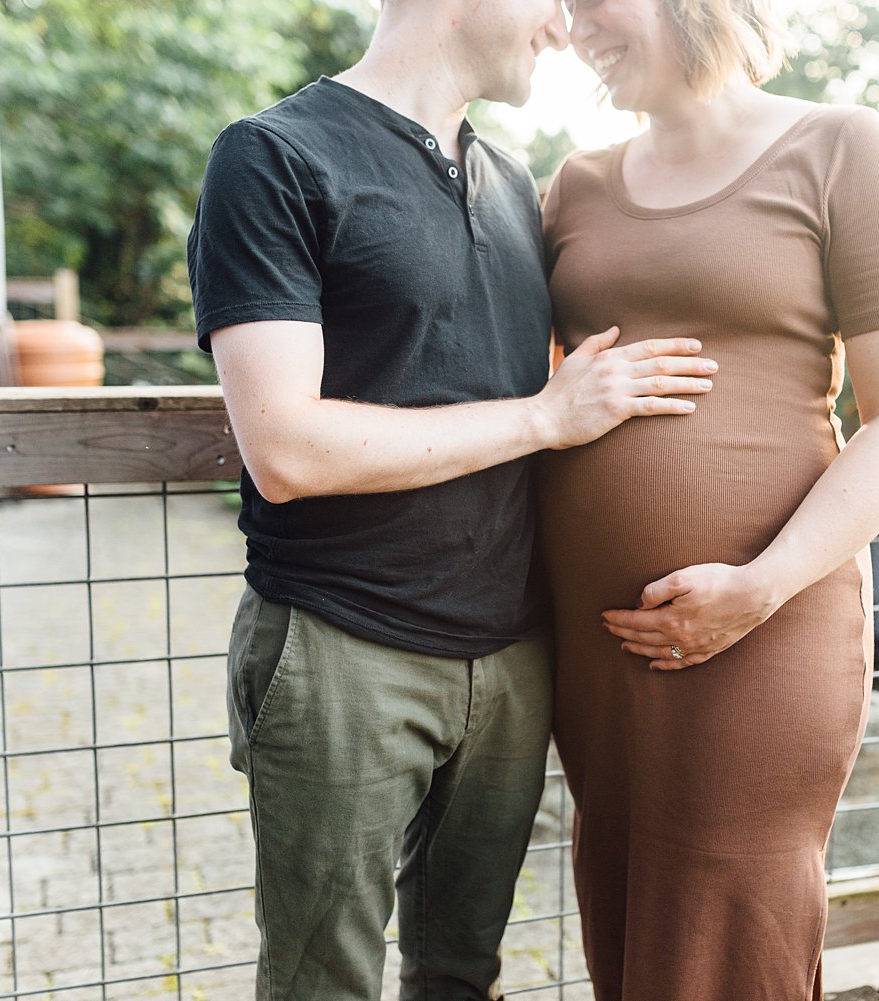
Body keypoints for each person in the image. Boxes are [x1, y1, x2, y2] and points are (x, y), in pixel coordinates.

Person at [185, 0, 718, 997]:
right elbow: (285, 448)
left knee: (462, 974)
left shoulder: (515, 183)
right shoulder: (272, 158)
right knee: (322, 983)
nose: (565, 28)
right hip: (345, 652)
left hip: (513, 664)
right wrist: (545, 417)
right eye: (552, 2)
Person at [540, 0, 879, 998]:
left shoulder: (840, 148)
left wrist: (759, 586)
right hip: (594, 642)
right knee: (623, 897)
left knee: (728, 919)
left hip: (770, 623)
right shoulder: (574, 185)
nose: (574, 22)